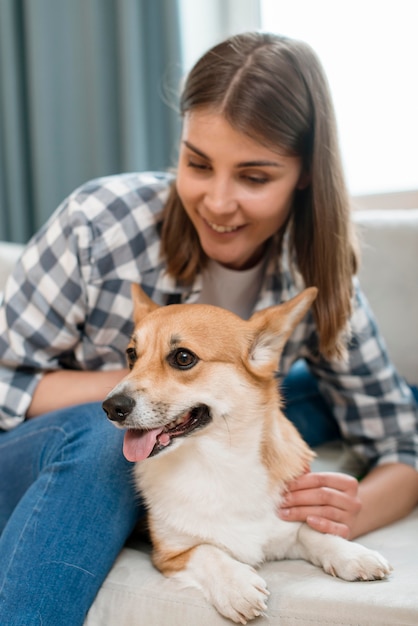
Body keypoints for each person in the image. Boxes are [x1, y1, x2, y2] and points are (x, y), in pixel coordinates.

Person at [0, 31, 417, 625]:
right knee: (107, 445)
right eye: (197, 164)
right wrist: (138, 391)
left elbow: (402, 442)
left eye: (253, 177)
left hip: (212, 400)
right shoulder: (100, 223)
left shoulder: (316, 272)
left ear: (303, 173)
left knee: (290, 396)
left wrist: (349, 510)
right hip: (32, 445)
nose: (218, 202)